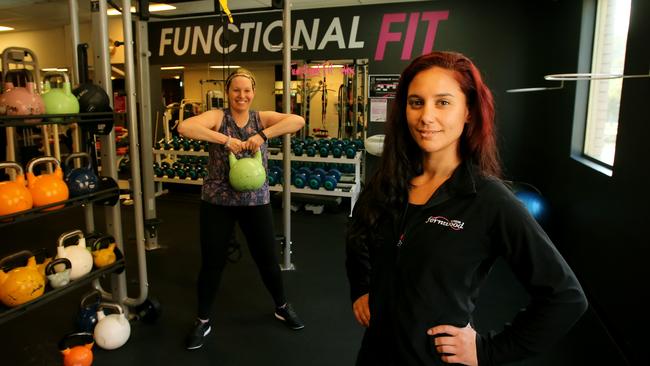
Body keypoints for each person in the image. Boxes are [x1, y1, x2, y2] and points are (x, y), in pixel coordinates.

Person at [345, 51, 588, 365]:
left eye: (443, 102)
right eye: (416, 102)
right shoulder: (388, 181)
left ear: (469, 111)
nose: (426, 117)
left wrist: (488, 351)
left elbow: (566, 297)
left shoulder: (489, 200)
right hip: (374, 355)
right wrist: (361, 288)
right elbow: (358, 235)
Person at [178, 68, 306, 350]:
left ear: (253, 92)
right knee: (212, 262)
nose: (242, 95)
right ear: (228, 92)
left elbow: (298, 120)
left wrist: (261, 135)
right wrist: (224, 139)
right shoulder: (217, 117)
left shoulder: (261, 118)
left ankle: (281, 306)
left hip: (254, 201)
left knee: (267, 259)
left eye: (247, 90)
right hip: (217, 201)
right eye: (236, 90)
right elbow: (184, 127)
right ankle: (202, 320)